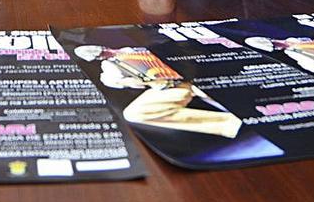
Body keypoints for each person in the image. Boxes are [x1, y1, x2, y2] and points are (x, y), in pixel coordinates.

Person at [74, 44, 241, 137]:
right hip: (167, 87)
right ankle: (228, 123)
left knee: (216, 87)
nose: (104, 53)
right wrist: (132, 80)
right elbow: (124, 83)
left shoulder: (133, 50)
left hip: (190, 75)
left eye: (101, 50)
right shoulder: (109, 68)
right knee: (134, 113)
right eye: (99, 55)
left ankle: (249, 116)